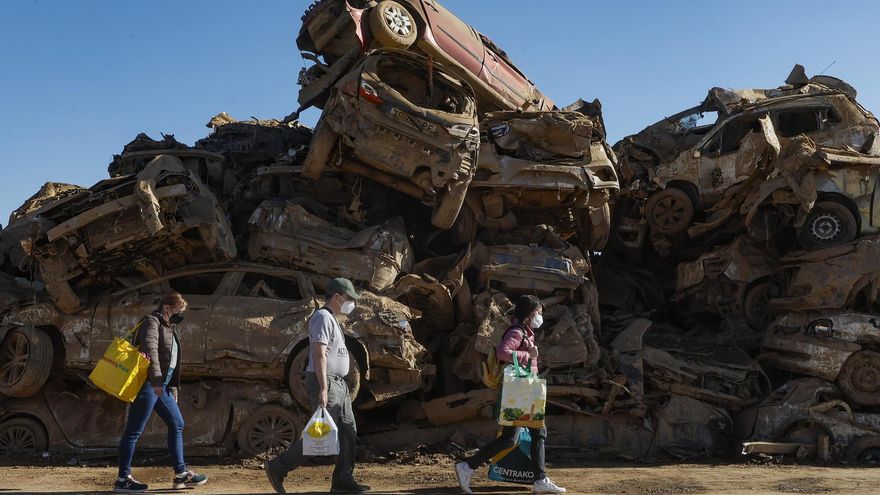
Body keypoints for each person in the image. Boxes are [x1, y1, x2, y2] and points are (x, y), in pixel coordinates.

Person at [265, 277, 370, 494]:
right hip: (327, 382)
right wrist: (323, 388)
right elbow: (319, 353)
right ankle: (278, 467)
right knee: (319, 433)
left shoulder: (332, 319)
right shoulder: (322, 317)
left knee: (348, 431)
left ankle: (343, 479)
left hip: (338, 384)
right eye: (350, 298)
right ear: (338, 297)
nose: (352, 303)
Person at [454, 295, 566, 494]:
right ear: (528, 315)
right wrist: (528, 355)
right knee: (521, 436)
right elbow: (503, 353)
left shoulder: (526, 333)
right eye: (537, 313)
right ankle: (468, 466)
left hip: (525, 392)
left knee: (528, 435)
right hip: (521, 393)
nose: (540, 316)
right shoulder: (517, 332)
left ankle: (539, 480)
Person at [114, 293, 208, 493]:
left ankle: (181, 473)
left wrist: (171, 386)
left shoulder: (168, 327)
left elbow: (171, 360)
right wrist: (157, 381)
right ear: (167, 308)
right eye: (179, 311)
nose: (180, 315)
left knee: (177, 424)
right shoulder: (151, 322)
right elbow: (150, 351)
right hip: (149, 385)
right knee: (134, 431)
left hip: (161, 386)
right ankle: (123, 480)